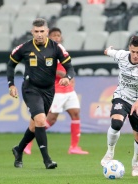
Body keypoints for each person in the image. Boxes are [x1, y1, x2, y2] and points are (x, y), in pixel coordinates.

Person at [7, 18, 75, 169]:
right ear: (32, 32)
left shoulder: (56, 48)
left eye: (42, 31)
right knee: (41, 120)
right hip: (31, 89)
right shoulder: (24, 48)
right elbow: (11, 65)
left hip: (49, 91)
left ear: (47, 32)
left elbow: (70, 68)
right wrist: (11, 84)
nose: (39, 34)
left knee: (34, 126)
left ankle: (18, 150)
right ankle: (47, 160)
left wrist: (67, 78)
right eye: (36, 32)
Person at [24, 27, 88, 155]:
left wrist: (70, 77)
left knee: (75, 114)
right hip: (56, 91)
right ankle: (27, 143)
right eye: (54, 35)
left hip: (69, 90)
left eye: (58, 35)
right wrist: (63, 74)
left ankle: (74, 147)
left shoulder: (62, 51)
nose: (56, 37)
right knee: (50, 119)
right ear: (48, 36)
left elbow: (68, 67)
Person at [100, 36, 138, 177]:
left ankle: (135, 162)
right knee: (116, 123)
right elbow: (109, 52)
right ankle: (110, 151)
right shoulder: (122, 55)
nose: (135, 55)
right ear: (129, 49)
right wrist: (108, 50)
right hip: (122, 96)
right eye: (133, 51)